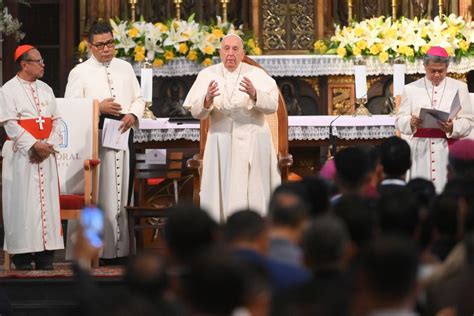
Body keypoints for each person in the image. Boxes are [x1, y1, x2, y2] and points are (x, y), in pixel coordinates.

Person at [64, 21, 145, 260]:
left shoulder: (125, 68)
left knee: (121, 196)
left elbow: (139, 98)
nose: (107, 49)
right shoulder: (79, 72)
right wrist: (97, 106)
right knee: (100, 195)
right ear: (90, 46)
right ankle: (95, 251)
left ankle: (120, 250)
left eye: (110, 43)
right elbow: (71, 108)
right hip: (96, 139)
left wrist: (133, 114)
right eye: (100, 45)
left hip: (122, 134)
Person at [183, 34, 280, 222]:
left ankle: (254, 231)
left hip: (254, 140)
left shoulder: (257, 75)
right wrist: (207, 99)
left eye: (235, 49)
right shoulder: (207, 75)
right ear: (220, 52)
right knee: (221, 194)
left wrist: (254, 94)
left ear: (243, 53)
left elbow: (273, 106)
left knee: (254, 193)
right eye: (226, 48)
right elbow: (196, 112)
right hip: (221, 143)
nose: (230, 53)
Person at [0, 45, 64, 270]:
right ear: (24, 64)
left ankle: (46, 255)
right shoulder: (8, 90)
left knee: (47, 205)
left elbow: (57, 122)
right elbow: (10, 124)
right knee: (23, 205)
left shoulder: (46, 89)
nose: (43, 64)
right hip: (22, 158)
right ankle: (23, 257)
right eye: (38, 61)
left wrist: (48, 145)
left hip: (45, 156)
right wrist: (34, 145)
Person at [396, 46, 473, 193]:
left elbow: (468, 122)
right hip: (420, 151)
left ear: (447, 67)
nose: (437, 74)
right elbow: (399, 120)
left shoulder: (460, 88)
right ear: (425, 66)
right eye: (433, 71)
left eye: (441, 71)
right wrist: (411, 122)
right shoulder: (411, 89)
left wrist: (452, 127)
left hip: (447, 149)